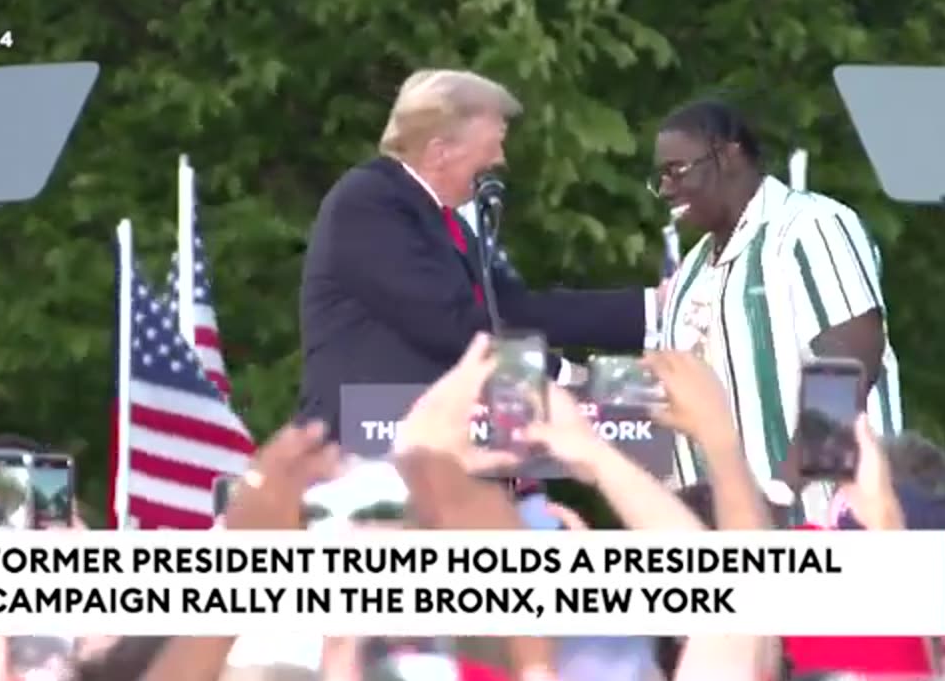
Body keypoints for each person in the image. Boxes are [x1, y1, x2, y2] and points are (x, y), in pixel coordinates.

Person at [298, 69, 657, 437]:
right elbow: (447, 324)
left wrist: (655, 309)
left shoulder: (451, 222)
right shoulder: (369, 202)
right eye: (494, 143)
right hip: (362, 454)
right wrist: (567, 376)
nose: (500, 158)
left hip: (434, 450)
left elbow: (514, 311)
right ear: (440, 151)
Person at [652, 99, 902, 520]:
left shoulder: (811, 226)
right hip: (732, 526)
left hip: (823, 518)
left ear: (729, 156)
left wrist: (781, 492)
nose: (665, 189)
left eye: (676, 170)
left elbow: (847, 370)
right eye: (659, 176)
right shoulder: (694, 267)